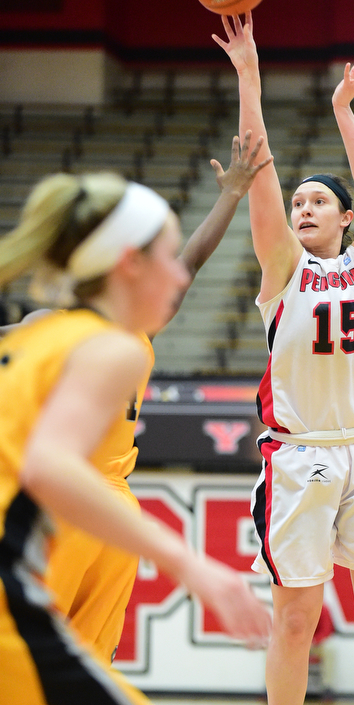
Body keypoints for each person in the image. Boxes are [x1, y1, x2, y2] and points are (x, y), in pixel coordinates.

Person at [0, 134, 272, 703]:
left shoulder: (57, 335)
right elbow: (50, 465)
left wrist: (230, 197)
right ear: (128, 266)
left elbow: (193, 258)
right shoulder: (96, 341)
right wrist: (190, 565)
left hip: (93, 509)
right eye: (164, 263)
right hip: (52, 520)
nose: (180, 279)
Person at [213, 14, 354, 705]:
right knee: (295, 618)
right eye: (298, 202)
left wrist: (341, 107)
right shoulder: (281, 270)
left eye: (318, 201)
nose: (302, 208)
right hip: (298, 458)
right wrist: (249, 76)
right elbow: (261, 172)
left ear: (344, 218)